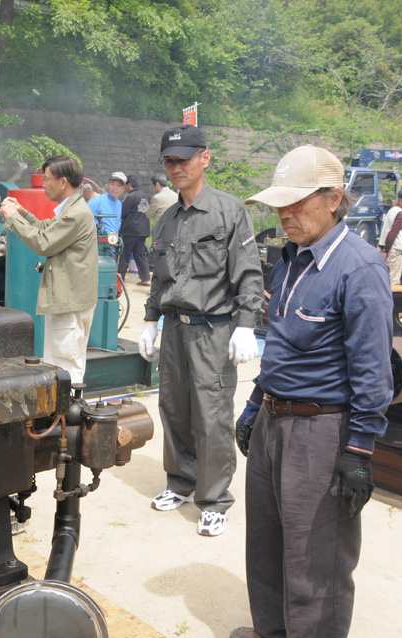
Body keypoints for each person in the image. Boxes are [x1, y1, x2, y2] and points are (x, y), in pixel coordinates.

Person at [231, 145, 393, 638]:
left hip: (322, 430)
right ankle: (275, 633)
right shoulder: (292, 258)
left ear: (333, 199)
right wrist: (256, 403)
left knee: (316, 551)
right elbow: (280, 341)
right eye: (279, 205)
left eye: (296, 204)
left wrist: (360, 450)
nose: (284, 215)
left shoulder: (359, 267)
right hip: (276, 419)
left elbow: (373, 368)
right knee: (268, 537)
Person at [137, 124, 263, 537]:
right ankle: (181, 483)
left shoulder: (229, 211)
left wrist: (247, 325)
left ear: (204, 158)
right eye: (169, 161)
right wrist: (150, 320)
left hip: (214, 329)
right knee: (173, 409)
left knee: (212, 416)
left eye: (184, 159)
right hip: (174, 327)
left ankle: (214, 499)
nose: (176, 168)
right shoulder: (167, 219)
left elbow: (248, 275)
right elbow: (159, 277)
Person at [0, 156, 98, 384]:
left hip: (68, 302)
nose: (43, 183)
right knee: (62, 361)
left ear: (63, 182)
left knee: (65, 366)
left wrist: (13, 218)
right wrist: (23, 213)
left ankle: (69, 414)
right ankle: (64, 414)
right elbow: (46, 228)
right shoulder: (71, 208)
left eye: (47, 179)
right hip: (70, 299)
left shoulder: (75, 213)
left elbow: (44, 242)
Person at [118, 174, 151, 286]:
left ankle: (120, 278)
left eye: (125, 185)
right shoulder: (146, 196)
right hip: (143, 230)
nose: (124, 188)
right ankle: (146, 278)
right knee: (140, 254)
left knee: (124, 254)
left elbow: (123, 213)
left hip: (130, 230)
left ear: (130, 184)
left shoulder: (130, 197)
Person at [378, 187, 402, 286]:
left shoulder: (392, 210)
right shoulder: (401, 214)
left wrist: (383, 249)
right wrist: (386, 251)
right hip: (395, 251)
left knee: (387, 278)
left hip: (389, 249)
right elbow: (392, 234)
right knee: (394, 280)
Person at [146, 172, 178, 242]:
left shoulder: (157, 197)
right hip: (174, 229)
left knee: (159, 251)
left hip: (160, 231)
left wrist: (157, 213)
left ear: (157, 184)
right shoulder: (175, 195)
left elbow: (149, 214)